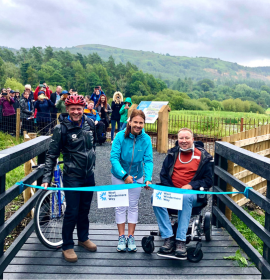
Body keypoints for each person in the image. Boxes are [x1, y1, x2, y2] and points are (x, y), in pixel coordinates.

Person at [41, 95, 97, 263]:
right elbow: (51, 154)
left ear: (83, 108)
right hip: (72, 176)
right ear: (67, 110)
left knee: (85, 209)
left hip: (89, 175)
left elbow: (92, 147)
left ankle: (83, 237)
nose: (76, 111)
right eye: (72, 108)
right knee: (71, 211)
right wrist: (46, 177)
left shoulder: (90, 124)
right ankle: (67, 245)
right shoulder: (61, 129)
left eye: (79, 108)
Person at [153, 128, 213, 259]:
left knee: (185, 197)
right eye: (181, 138)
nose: (184, 141)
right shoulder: (172, 154)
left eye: (187, 138)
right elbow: (163, 175)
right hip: (172, 193)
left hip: (193, 195)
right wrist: (172, 190)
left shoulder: (203, 156)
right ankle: (168, 237)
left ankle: (180, 241)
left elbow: (209, 180)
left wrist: (191, 185)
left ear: (193, 139)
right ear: (177, 140)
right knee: (155, 197)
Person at [110, 109, 153, 252]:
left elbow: (148, 160)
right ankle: (121, 236)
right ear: (130, 122)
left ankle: (131, 236)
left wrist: (148, 178)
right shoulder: (120, 136)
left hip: (136, 175)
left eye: (141, 123)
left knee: (133, 205)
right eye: (135, 122)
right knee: (121, 205)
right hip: (119, 175)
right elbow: (114, 158)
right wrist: (123, 175)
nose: (138, 125)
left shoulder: (146, 139)